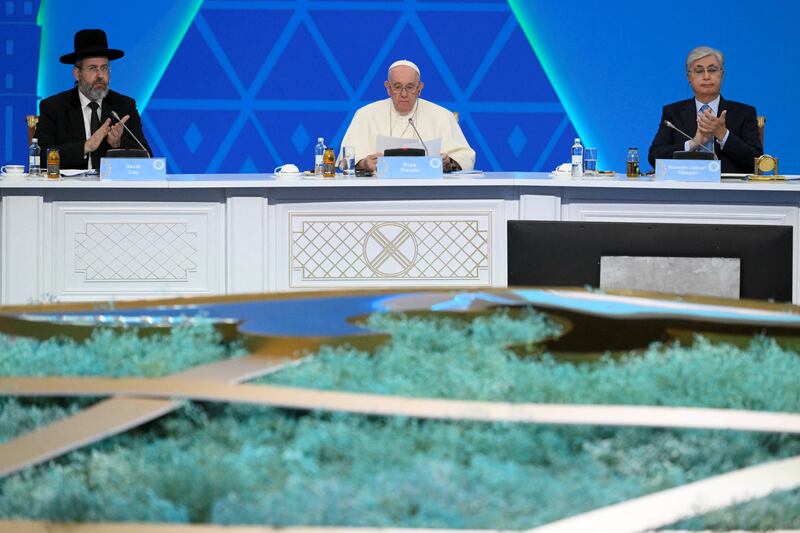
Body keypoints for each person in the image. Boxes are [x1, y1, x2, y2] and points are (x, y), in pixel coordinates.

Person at [35, 29, 151, 170]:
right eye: (92, 68)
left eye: (104, 68)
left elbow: (147, 157)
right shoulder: (54, 107)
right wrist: (85, 146)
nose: (100, 75)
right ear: (77, 73)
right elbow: (39, 157)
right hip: (69, 190)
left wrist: (118, 143)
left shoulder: (124, 106)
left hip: (113, 190)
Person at [340, 59, 475, 172]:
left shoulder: (442, 115)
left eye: (410, 87)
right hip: (377, 192)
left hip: (428, 192)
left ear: (419, 88)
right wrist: (364, 164)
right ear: (388, 88)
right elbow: (345, 161)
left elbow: (466, 156)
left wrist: (449, 162)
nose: (404, 94)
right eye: (397, 87)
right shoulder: (365, 114)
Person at [648, 46, 762, 174]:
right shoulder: (673, 113)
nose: (706, 76)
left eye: (712, 70)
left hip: (730, 189)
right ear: (688, 77)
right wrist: (693, 143)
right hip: (685, 188)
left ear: (722, 74)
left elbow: (757, 162)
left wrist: (722, 134)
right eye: (699, 71)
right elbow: (654, 157)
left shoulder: (744, 113)